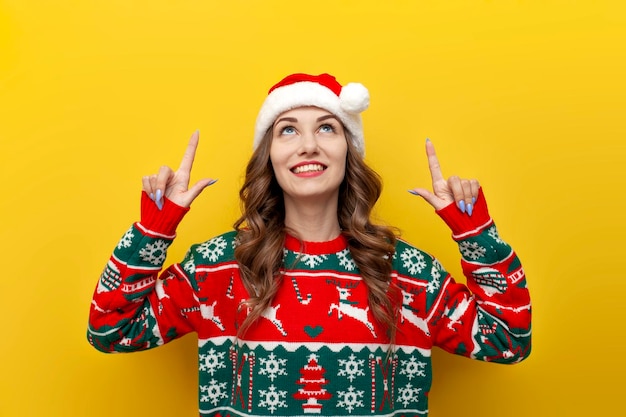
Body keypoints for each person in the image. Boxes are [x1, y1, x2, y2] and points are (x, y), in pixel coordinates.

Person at [87, 73, 531, 417]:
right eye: (288, 130)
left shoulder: (406, 272)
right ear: (270, 156)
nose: (308, 146)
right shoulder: (218, 268)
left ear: (347, 152)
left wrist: (476, 235)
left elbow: (509, 340)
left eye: (327, 128)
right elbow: (110, 331)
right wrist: (154, 229)